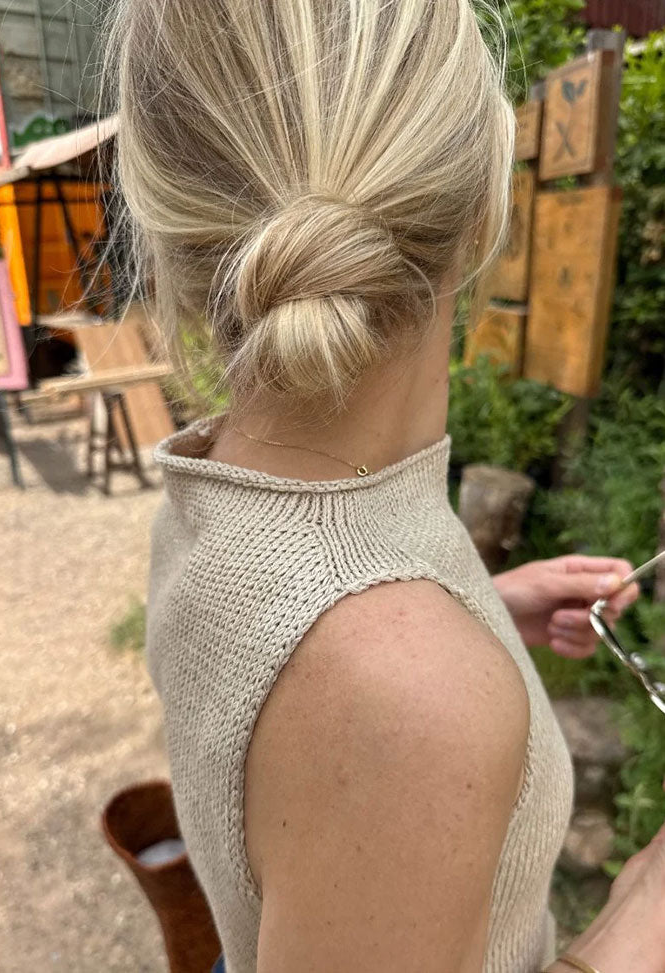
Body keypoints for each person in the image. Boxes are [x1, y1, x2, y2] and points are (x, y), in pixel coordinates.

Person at [107, 1, 661, 970]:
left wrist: (476, 611)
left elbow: (286, 660)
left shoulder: (221, 476)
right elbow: (353, 684)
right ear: (487, 201)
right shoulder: (394, 689)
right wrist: (631, 931)